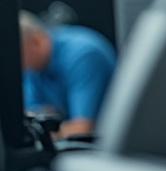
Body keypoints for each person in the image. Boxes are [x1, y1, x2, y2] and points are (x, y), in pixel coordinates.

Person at [19, 10, 117, 139]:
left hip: (104, 146)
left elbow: (83, 129)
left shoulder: (83, 55)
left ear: (37, 41)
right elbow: (31, 117)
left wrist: (42, 133)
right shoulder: (34, 66)